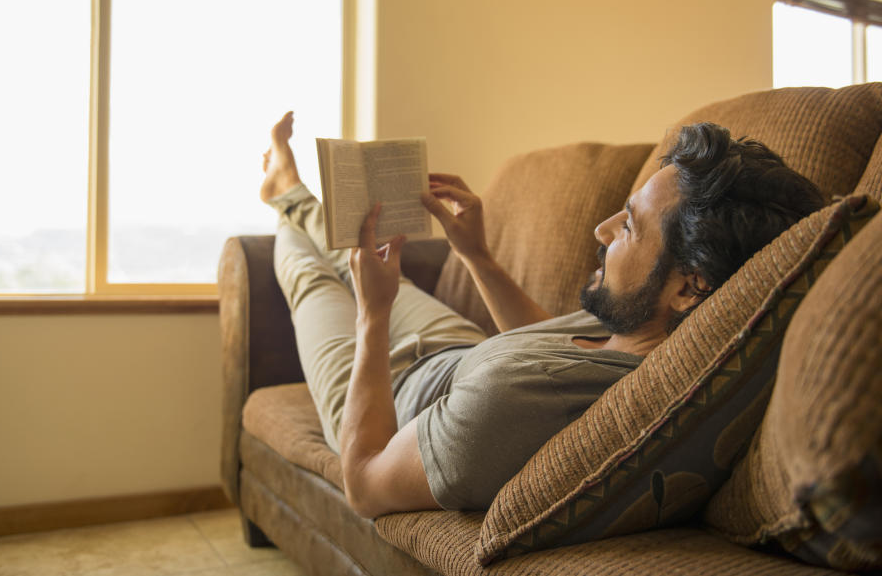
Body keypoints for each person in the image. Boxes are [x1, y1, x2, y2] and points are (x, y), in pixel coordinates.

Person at [259, 111, 825, 519]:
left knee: (303, 265)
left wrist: (372, 320)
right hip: (456, 347)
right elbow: (540, 349)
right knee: (349, 254)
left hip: (389, 388)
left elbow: (363, 485)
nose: (601, 232)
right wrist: (475, 254)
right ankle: (290, 189)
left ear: (690, 287)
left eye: (628, 227)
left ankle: (286, 194)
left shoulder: (511, 406)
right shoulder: (646, 329)